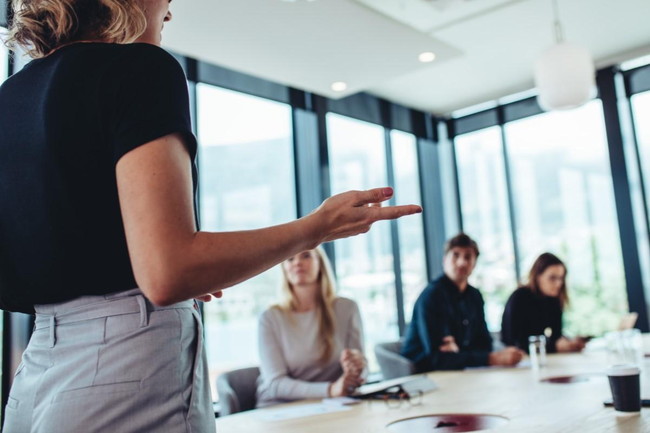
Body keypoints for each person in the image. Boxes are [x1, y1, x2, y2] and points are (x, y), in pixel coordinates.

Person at [0, 1, 421, 431]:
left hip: (34, 373)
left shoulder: (9, 97)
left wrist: (176, 266)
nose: (170, 11)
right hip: (125, 362)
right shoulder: (142, 68)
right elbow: (168, 274)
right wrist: (316, 228)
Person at [256, 248, 365, 408]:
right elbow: (275, 384)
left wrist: (358, 370)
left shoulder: (347, 308)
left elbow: (361, 367)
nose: (297, 262)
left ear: (320, 263)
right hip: (281, 406)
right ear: (284, 268)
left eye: (306, 256)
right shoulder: (270, 317)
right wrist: (330, 390)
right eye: (290, 258)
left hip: (333, 404)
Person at [401, 233, 524, 372]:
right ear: (444, 260)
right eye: (455, 255)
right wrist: (491, 358)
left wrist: (459, 351)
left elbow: (484, 344)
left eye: (468, 257)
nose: (461, 262)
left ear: (475, 263)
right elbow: (437, 358)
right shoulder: (431, 296)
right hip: (422, 374)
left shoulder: (474, 296)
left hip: (459, 371)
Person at [501, 252, 586, 354]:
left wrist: (568, 343)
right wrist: (555, 346)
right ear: (538, 277)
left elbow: (556, 335)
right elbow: (515, 342)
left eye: (561, 278)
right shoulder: (519, 297)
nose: (559, 284)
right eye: (552, 278)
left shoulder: (553, 300)